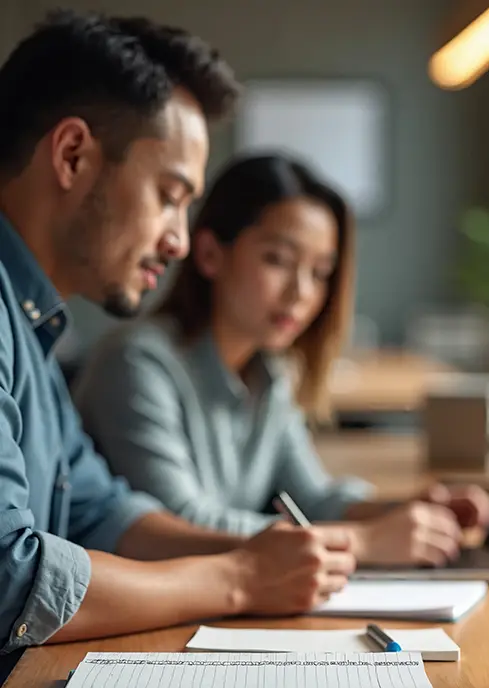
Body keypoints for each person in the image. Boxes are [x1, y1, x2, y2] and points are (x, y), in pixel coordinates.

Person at [0, 15, 356, 655]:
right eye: (169, 196)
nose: (181, 242)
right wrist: (239, 579)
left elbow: (100, 513)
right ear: (72, 155)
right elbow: (9, 578)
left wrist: (263, 554)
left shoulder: (34, 328)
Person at [76, 153, 489, 567]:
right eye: (277, 260)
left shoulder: (268, 373)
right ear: (209, 253)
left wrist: (406, 511)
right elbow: (179, 526)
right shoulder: (135, 364)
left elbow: (312, 499)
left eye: (320, 273)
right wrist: (363, 541)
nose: (301, 292)